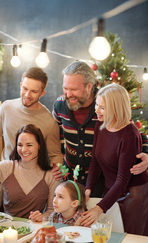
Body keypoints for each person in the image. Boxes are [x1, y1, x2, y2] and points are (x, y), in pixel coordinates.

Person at [53, 61, 148, 195]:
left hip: (101, 181)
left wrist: (146, 154)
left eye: (73, 89)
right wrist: (56, 160)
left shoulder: (105, 102)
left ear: (89, 86)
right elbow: (54, 136)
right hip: (70, 177)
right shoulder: (60, 105)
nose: (68, 94)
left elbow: (134, 133)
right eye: (65, 88)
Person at [79, 84, 148, 235]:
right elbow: (95, 160)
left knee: (127, 238)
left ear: (116, 108)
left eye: (102, 107)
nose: (96, 110)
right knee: (109, 234)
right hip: (112, 189)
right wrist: (88, 187)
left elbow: (123, 180)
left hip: (132, 195)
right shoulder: (100, 125)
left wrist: (99, 208)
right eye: (97, 104)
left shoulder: (130, 135)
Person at [0, 67, 63, 166]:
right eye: (25, 89)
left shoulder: (49, 122)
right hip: (5, 173)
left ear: (42, 93)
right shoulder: (6, 107)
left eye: (34, 91)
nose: (27, 95)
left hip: (32, 176)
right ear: (21, 85)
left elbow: (55, 155)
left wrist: (55, 172)